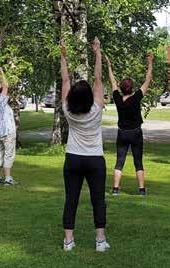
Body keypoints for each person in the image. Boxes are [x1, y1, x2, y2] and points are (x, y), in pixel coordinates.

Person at [61, 37, 109, 252]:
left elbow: (65, 81)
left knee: (71, 199)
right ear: (90, 97)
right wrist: (97, 52)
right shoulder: (97, 109)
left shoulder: (67, 111)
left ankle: (69, 242)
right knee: (98, 199)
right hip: (94, 160)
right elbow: (98, 78)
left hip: (73, 158)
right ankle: (100, 241)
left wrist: (63, 56)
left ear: (72, 98)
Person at [106, 53, 154, 196]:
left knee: (119, 161)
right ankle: (141, 190)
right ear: (132, 88)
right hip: (136, 133)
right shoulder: (137, 97)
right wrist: (150, 62)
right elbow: (148, 80)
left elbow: (112, 81)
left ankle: (115, 189)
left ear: (121, 88)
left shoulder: (117, 99)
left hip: (122, 134)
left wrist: (108, 64)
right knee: (138, 162)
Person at [0, 65, 17, 186]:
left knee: (0, 153)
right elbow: (5, 86)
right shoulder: (1, 101)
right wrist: (1, 71)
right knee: (9, 154)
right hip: (8, 132)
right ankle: (8, 178)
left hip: (0, 133)